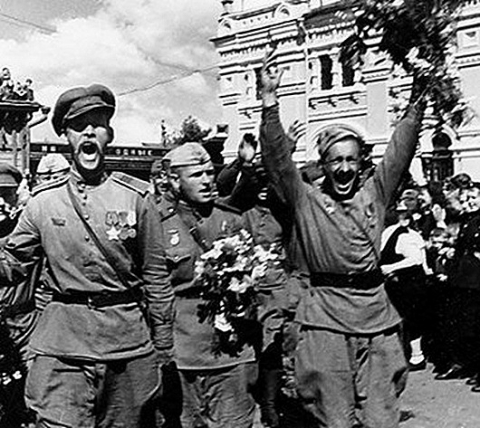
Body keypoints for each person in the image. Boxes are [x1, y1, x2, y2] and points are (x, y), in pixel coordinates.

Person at [258, 50, 426, 427]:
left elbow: (399, 152)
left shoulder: (375, 194)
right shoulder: (306, 200)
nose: (345, 168)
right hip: (326, 319)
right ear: (324, 165)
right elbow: (278, 164)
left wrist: (417, 100)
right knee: (334, 418)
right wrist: (269, 101)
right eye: (336, 160)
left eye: (351, 159)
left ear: (361, 162)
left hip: (376, 315)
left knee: (382, 417)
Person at [0, 84, 174, 427]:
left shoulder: (136, 198)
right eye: (79, 126)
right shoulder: (43, 204)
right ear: (67, 136)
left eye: (98, 124)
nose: (89, 132)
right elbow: (12, 266)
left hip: (125, 344)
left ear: (110, 134)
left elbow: (155, 275)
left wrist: (164, 344)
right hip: (62, 346)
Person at [160, 142, 258, 428]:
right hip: (183, 350)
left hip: (229, 348)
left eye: (209, 173)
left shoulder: (231, 218)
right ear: (175, 181)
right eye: (196, 175)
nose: (206, 181)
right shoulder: (158, 222)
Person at [380, 199, 430, 372]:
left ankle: (417, 356)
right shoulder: (388, 233)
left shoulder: (405, 236)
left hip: (409, 283)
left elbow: (416, 259)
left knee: (411, 318)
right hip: (397, 284)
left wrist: (390, 268)